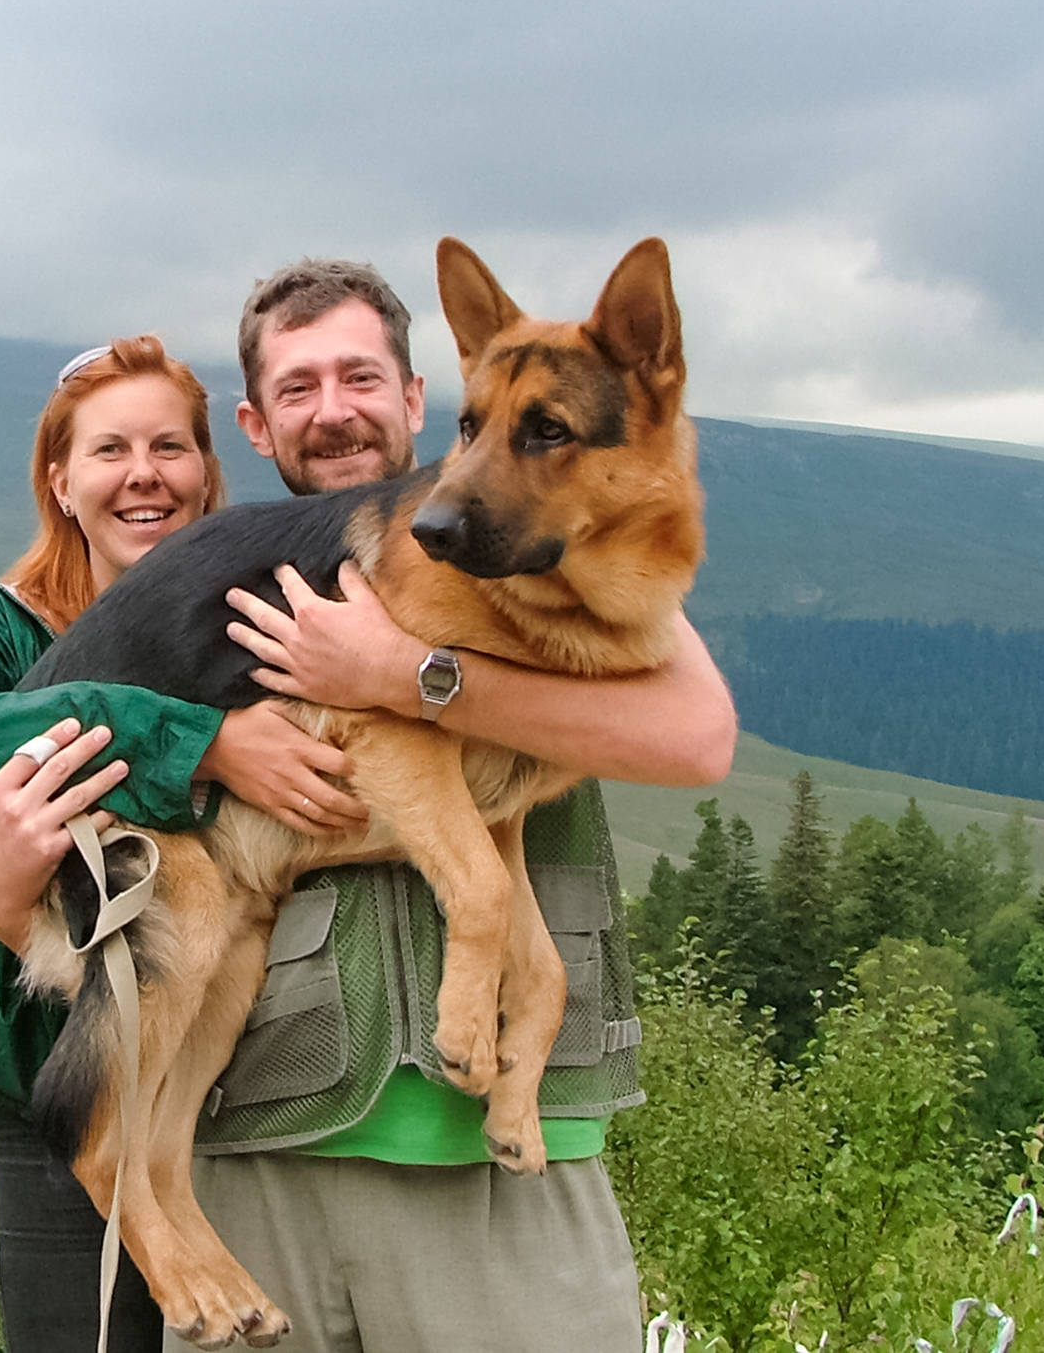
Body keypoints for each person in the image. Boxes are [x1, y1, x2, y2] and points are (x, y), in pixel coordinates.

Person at [176, 257, 737, 1353]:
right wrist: (209, 738)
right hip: (263, 1140)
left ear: (411, 396)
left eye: (358, 377)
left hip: (500, 1167)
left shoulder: (581, 565)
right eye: (297, 389)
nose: (332, 411)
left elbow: (695, 736)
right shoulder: (231, 581)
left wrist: (406, 676)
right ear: (254, 423)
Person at [0, 334, 358, 1353]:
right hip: (55, 1077)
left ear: (205, 471)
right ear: (58, 480)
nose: (143, 474)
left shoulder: (258, 608)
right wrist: (202, 741)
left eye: (168, 447)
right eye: (109, 451)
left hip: (238, 1097)